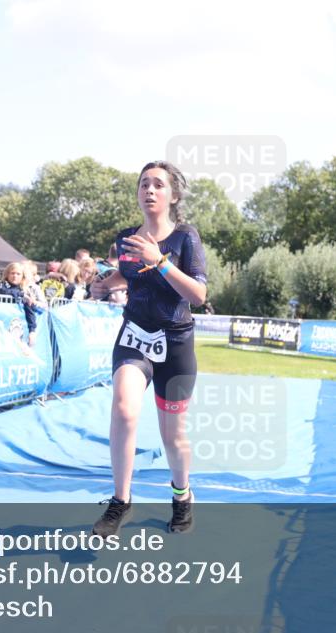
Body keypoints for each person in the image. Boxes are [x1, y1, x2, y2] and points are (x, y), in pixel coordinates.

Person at [88, 160, 207, 536]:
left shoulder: (186, 238)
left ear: (173, 195)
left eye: (158, 184)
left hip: (176, 343)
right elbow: (127, 270)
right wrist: (105, 283)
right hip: (135, 335)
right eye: (143, 184)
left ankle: (181, 495)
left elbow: (199, 294)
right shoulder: (126, 238)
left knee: (173, 436)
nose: (149, 190)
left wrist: (160, 262)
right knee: (124, 409)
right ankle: (121, 501)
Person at [0, 261, 39, 346]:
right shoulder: (2, 285)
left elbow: (30, 312)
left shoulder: (25, 289)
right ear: (7, 274)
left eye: (18, 274)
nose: (15, 276)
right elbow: (4, 291)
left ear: (23, 276)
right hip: (1, 326)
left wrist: (32, 331)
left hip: (17, 327)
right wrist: (22, 295)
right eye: (12, 273)